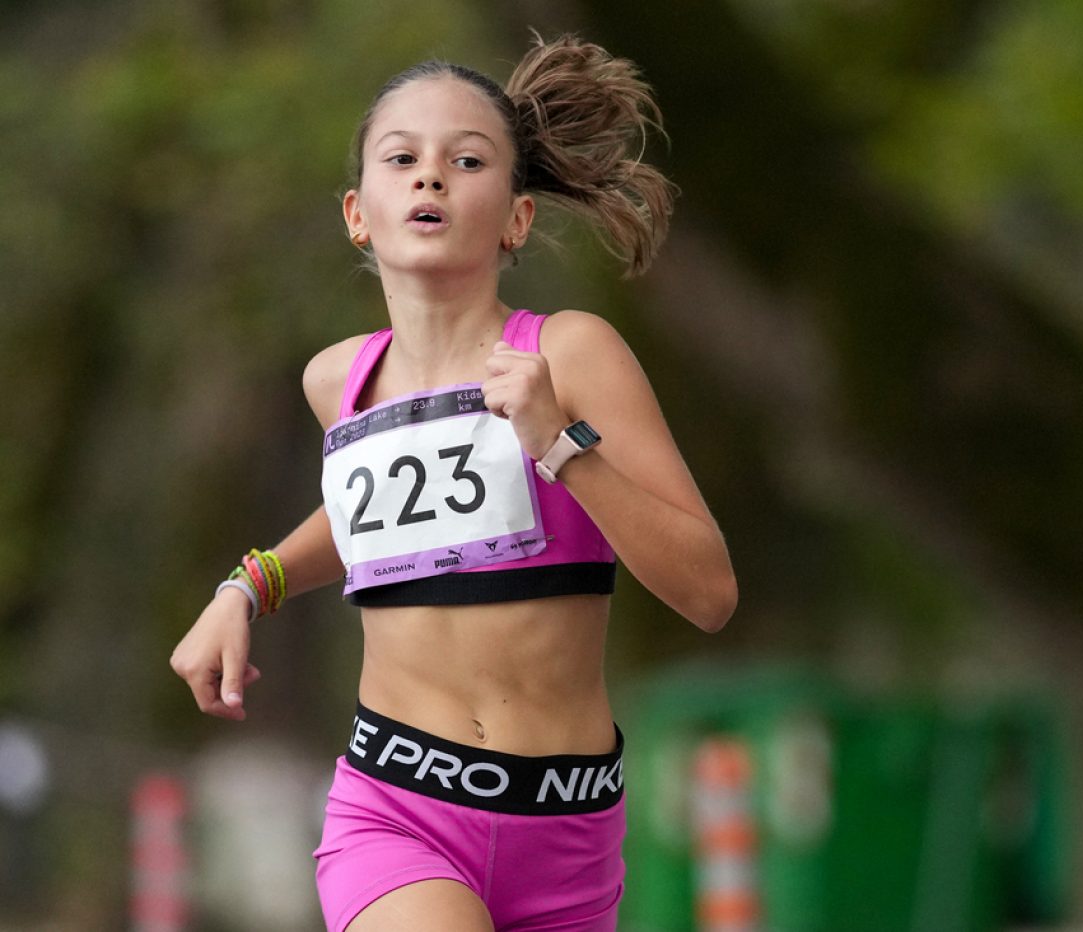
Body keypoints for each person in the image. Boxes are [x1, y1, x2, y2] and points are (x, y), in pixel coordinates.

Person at [170, 34, 737, 932]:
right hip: (396, 810)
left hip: (567, 827)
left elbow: (708, 592)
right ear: (358, 213)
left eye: (467, 161)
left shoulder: (571, 354)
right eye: (402, 159)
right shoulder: (337, 381)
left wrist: (561, 446)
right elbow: (369, 519)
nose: (430, 175)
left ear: (516, 218)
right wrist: (249, 585)